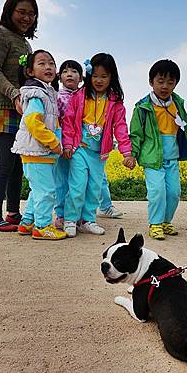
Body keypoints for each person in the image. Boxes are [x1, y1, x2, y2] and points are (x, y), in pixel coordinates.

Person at [130, 59, 187, 240]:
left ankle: (166, 221)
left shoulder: (177, 104)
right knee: (157, 192)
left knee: (174, 193)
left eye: (170, 82)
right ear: (151, 82)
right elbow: (135, 134)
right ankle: (155, 223)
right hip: (153, 159)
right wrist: (132, 155)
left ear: (175, 84)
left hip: (172, 158)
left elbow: (184, 127)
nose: (165, 86)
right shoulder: (142, 107)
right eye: (160, 81)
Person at [61, 53, 135, 237]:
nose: (99, 80)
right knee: (77, 185)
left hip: (99, 154)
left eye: (104, 76)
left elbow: (120, 127)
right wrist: (68, 145)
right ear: (88, 76)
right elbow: (69, 121)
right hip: (80, 149)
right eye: (95, 76)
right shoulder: (79, 96)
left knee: (94, 188)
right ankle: (70, 219)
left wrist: (126, 153)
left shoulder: (115, 102)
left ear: (112, 77)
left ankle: (87, 220)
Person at [0, 0, 37, 232]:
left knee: (18, 165)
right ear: (9, 11)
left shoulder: (25, 44)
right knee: (5, 164)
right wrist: (14, 94)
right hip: (2, 108)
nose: (27, 18)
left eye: (32, 14)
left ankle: (13, 212)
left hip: (22, 108)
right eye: (22, 12)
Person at [11, 50, 67, 240]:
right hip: (38, 151)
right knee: (47, 192)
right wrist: (53, 142)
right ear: (30, 71)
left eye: (51, 63)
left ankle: (27, 223)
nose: (48, 67)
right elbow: (34, 123)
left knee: (38, 190)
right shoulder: (36, 94)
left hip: (39, 152)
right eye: (42, 64)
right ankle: (42, 226)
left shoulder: (46, 91)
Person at [54, 59, 83, 229]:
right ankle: (61, 214)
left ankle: (76, 215)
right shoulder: (57, 97)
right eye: (65, 71)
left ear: (81, 78)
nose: (69, 74)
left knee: (78, 183)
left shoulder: (84, 97)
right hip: (62, 144)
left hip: (80, 146)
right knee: (62, 182)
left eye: (74, 71)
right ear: (60, 77)